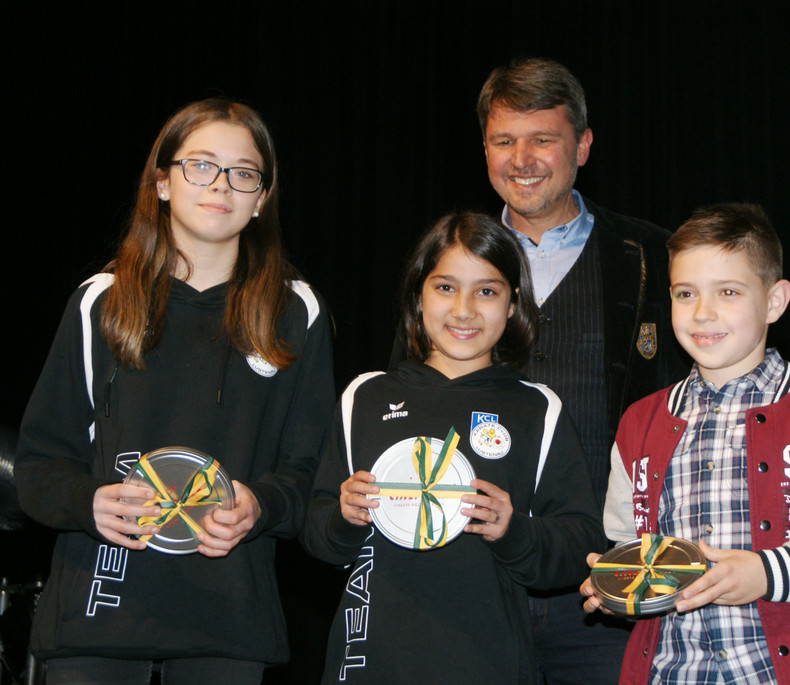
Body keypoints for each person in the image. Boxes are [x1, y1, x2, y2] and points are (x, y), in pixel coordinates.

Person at [14, 98, 335, 683]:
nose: (221, 184)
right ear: (162, 182)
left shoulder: (295, 311)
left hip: (227, 618)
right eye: (201, 165)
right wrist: (87, 501)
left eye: (243, 172)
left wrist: (262, 505)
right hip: (99, 611)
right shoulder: (101, 302)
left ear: (262, 198)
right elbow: (39, 462)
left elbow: (310, 471)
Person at [580, 202, 790, 684]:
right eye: (685, 293)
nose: (703, 313)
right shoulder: (640, 423)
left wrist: (767, 573)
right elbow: (630, 545)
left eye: (728, 292)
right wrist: (619, 586)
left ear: (774, 301)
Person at [303, 212, 605, 685]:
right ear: (418, 295)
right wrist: (343, 516)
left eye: (486, 291)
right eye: (445, 287)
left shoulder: (537, 408)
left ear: (513, 304)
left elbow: (581, 544)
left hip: (488, 663)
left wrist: (514, 532)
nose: (464, 310)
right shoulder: (365, 396)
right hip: (371, 661)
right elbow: (318, 533)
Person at [476, 56, 688, 684]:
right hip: (476, 585)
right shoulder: (451, 262)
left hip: (608, 591)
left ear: (583, 146)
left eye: (543, 139)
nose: (522, 159)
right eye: (504, 141)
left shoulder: (655, 259)